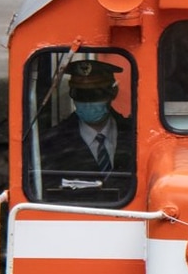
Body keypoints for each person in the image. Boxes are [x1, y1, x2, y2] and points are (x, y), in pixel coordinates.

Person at [39, 57, 135, 204]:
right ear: (72, 95)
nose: (88, 102)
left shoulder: (136, 136)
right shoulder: (51, 144)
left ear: (113, 92)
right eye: (81, 95)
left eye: (96, 94)